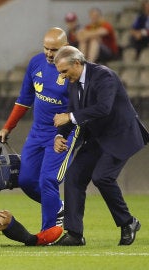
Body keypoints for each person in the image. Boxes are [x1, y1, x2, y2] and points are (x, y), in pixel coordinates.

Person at [53, 45, 148, 246]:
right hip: (98, 136)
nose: (62, 76)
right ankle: (75, 234)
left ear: (77, 63)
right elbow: (72, 111)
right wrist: (60, 135)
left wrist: (69, 117)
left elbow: (103, 108)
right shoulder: (72, 82)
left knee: (102, 177)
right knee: (74, 177)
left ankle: (127, 222)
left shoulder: (105, 76)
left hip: (120, 135)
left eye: (64, 71)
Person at [0, 27, 74, 246]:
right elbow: (24, 99)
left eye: (55, 50)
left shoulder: (73, 71)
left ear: (66, 47)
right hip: (37, 134)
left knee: (48, 180)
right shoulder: (36, 63)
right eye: (46, 48)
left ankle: (47, 232)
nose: (49, 54)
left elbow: (81, 105)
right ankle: (59, 207)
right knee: (27, 181)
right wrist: (7, 127)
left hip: (61, 135)